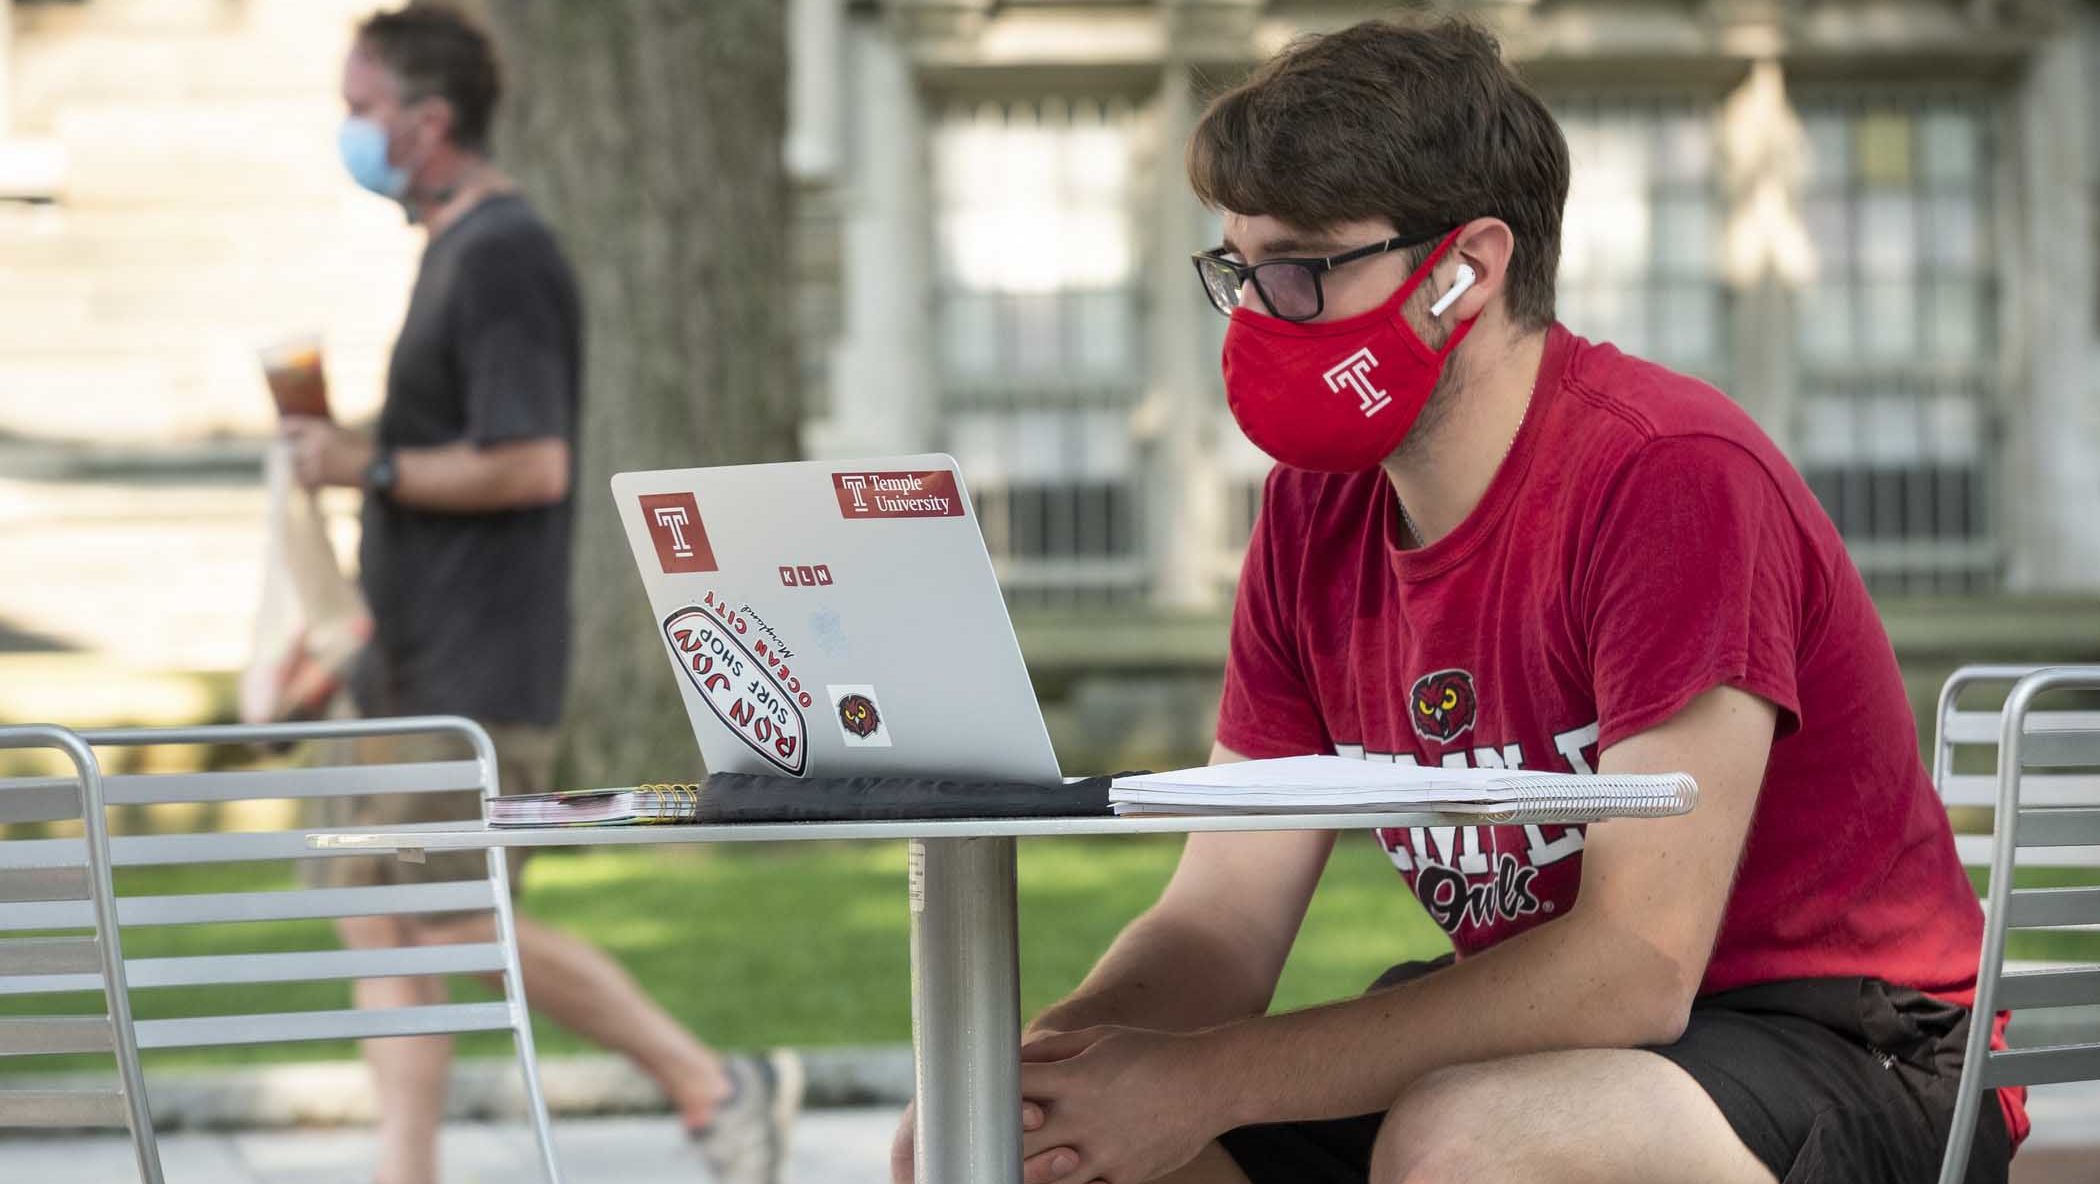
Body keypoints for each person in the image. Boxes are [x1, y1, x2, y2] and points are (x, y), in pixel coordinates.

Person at [892, 17, 2024, 1184]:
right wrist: (1042, 1082)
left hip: (1853, 1042)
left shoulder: (1670, 475)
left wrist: (1207, 1076)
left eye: (1297, 271)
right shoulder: (1310, 513)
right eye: (1237, 269)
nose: (1255, 318)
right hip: (1565, 1040)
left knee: (1467, 1141)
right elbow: (1221, 919)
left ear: (1462, 273)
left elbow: (1634, 960)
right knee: (1057, 1155)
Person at [283, 8, 800, 1184]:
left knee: (455, 918)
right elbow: (446, 447)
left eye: (361, 108)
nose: (347, 130)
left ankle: (717, 1083)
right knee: (381, 914)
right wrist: (348, 455)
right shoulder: (452, 248)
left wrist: (358, 463)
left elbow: (532, 462)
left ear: (429, 121)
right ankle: (403, 1167)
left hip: (476, 664)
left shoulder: (508, 253)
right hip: (401, 655)